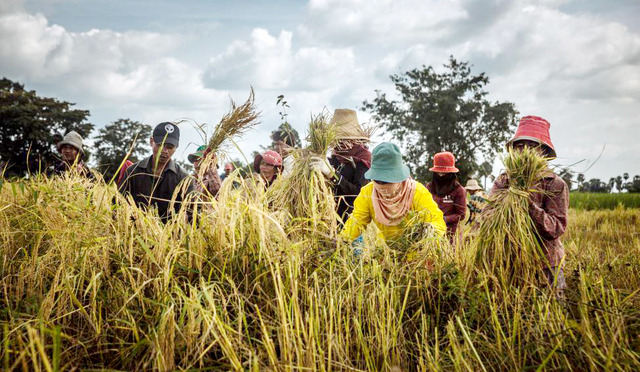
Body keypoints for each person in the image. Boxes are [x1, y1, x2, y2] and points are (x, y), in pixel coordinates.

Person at [491, 115, 568, 294]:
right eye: (520, 146)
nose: (524, 151)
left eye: (532, 147)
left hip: (546, 263)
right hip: (510, 262)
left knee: (551, 314)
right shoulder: (503, 181)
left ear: (543, 153)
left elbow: (556, 228)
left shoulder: (555, 184)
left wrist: (527, 204)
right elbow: (488, 214)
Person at [341, 142, 446, 245]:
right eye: (377, 180)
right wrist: (342, 242)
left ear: (398, 177)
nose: (382, 186)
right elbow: (356, 222)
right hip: (385, 254)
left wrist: (428, 233)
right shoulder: (368, 193)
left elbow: (436, 221)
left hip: (416, 253)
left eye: (387, 181)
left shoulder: (416, 192)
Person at [119, 122, 192, 223]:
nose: (164, 151)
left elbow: (193, 213)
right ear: (151, 141)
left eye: (170, 147)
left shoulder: (183, 178)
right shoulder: (133, 171)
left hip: (169, 236)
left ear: (176, 148)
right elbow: (118, 203)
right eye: (160, 145)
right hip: (135, 233)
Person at [311, 109, 371, 224]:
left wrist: (332, 174)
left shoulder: (363, 160)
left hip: (353, 222)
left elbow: (358, 194)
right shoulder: (335, 157)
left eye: (343, 139)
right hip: (330, 220)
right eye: (337, 139)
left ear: (354, 139)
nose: (339, 143)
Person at [426, 152, 466, 244]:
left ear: (451, 173)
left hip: (450, 236)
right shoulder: (429, 187)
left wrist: (444, 219)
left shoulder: (459, 190)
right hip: (431, 234)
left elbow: (461, 215)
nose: (440, 175)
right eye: (438, 173)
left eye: (444, 173)